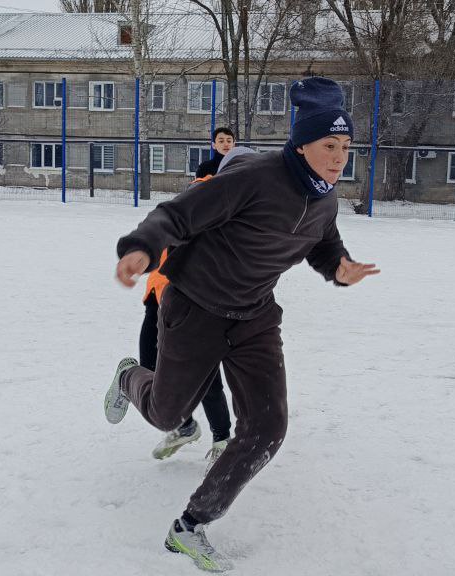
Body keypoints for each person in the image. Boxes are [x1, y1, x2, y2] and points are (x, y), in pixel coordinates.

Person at [103, 78, 379, 572]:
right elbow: (177, 215)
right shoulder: (254, 177)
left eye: (346, 147)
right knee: (167, 414)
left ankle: (190, 526)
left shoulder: (325, 199)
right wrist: (142, 248)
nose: (339, 158)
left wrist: (340, 268)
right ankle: (129, 376)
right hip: (196, 309)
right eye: (329, 146)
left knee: (268, 426)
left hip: (254, 317)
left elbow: (323, 244)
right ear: (302, 144)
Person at [142, 147, 263, 466]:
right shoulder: (200, 201)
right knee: (153, 366)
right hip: (161, 295)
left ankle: (220, 437)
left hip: (189, 300)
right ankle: (188, 427)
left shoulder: (232, 209)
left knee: (204, 375)